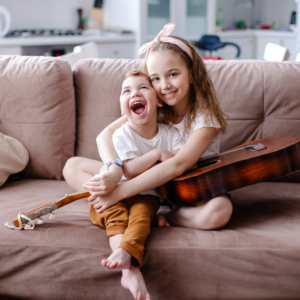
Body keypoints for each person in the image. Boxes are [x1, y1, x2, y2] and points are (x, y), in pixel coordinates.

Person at [63, 21, 233, 294]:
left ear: (192, 73)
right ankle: (142, 208)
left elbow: (177, 164)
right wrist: (113, 171)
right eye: (155, 78)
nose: (164, 85)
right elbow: (103, 137)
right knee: (73, 166)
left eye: (173, 74)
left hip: (184, 189)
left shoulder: (205, 117)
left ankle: (166, 216)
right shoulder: (156, 103)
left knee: (221, 211)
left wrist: (117, 193)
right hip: (142, 178)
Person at [88, 69, 184, 300]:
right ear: (123, 109)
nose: (135, 93)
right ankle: (129, 269)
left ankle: (125, 256)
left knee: (141, 218)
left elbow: (180, 161)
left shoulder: (170, 133)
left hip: (148, 194)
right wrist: (158, 154)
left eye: (143, 88)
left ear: (159, 101)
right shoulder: (122, 133)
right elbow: (128, 170)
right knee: (118, 218)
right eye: (127, 91)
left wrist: (173, 154)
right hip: (110, 192)